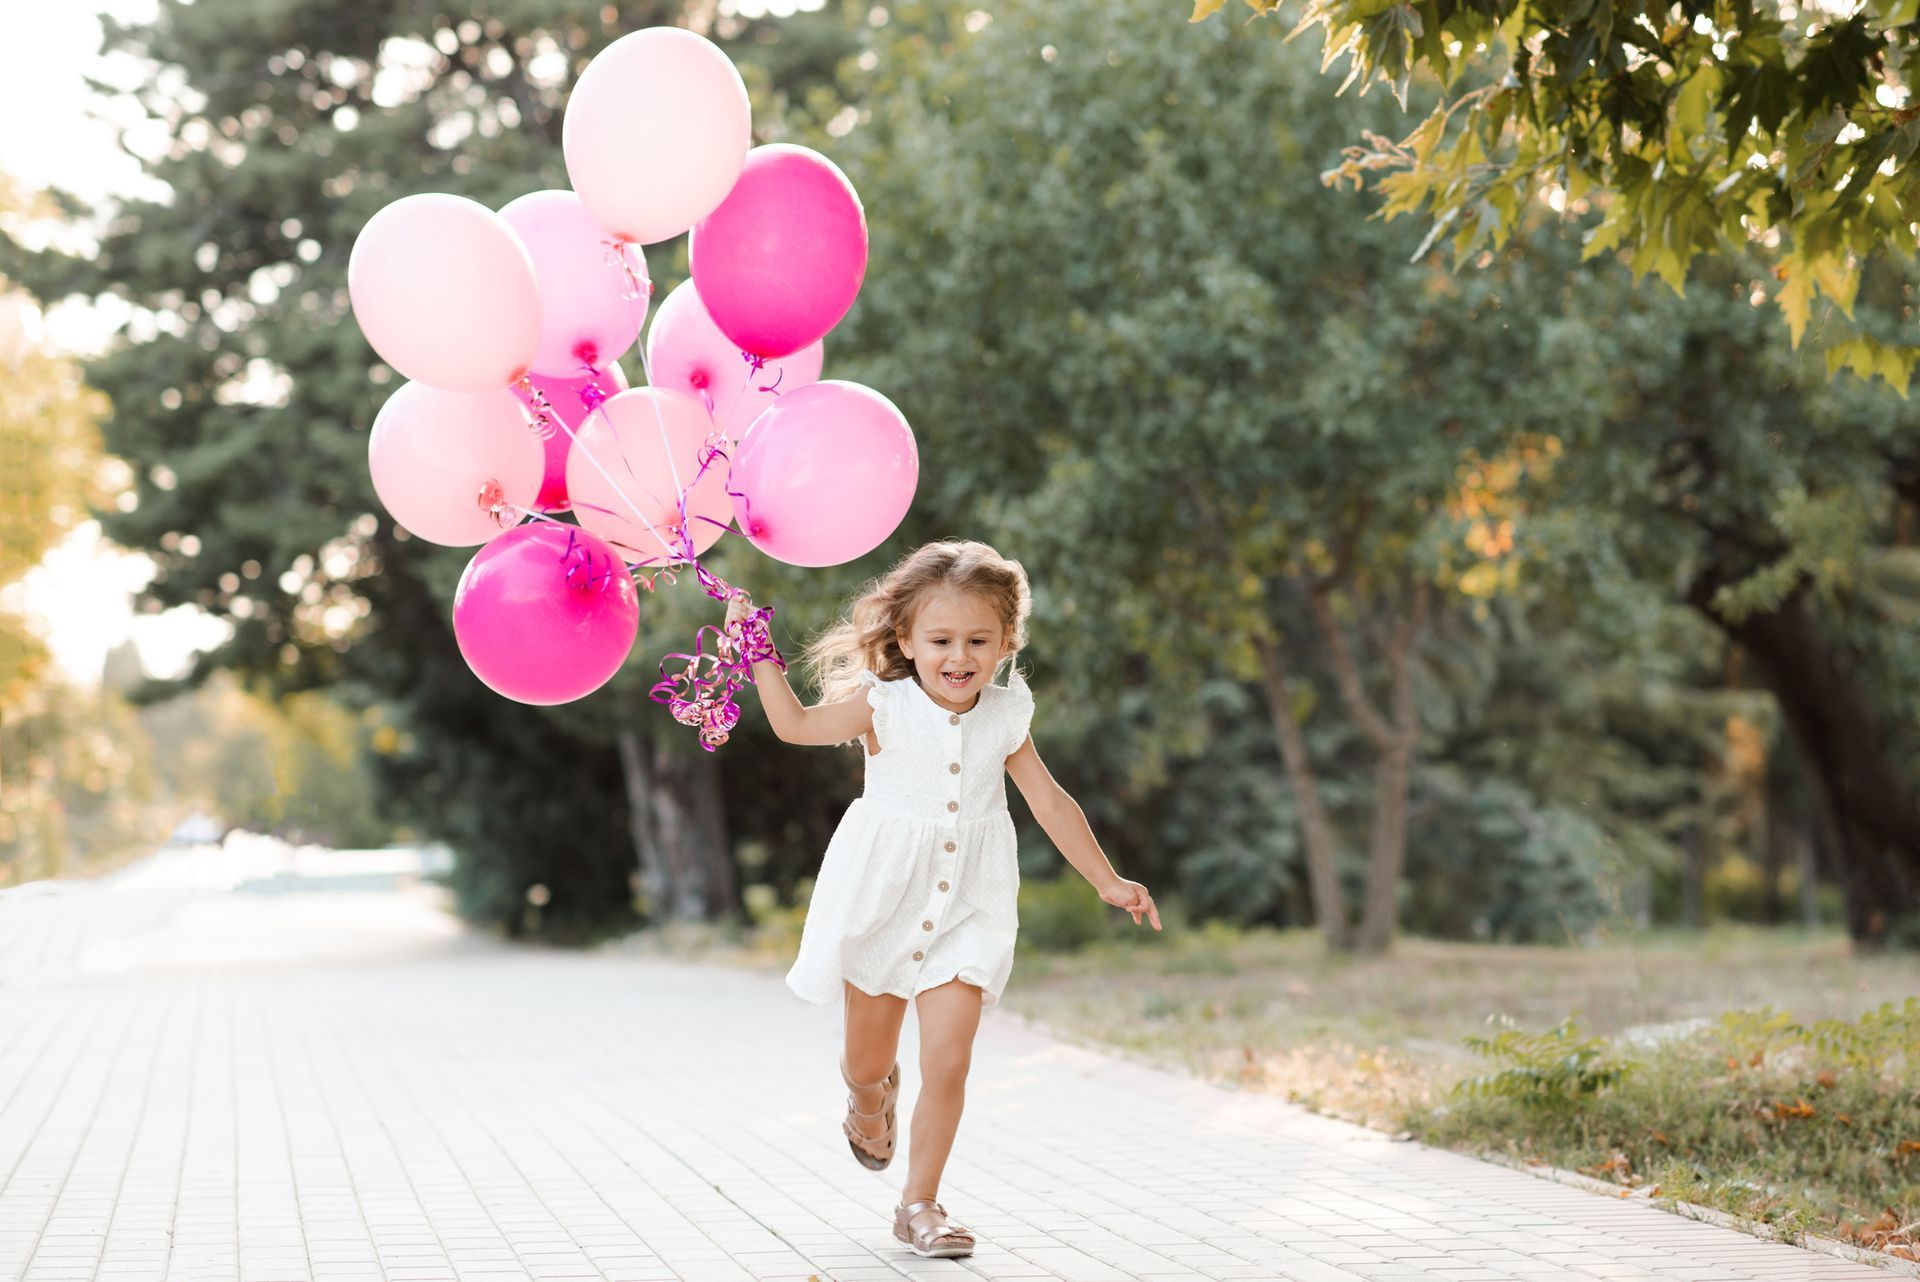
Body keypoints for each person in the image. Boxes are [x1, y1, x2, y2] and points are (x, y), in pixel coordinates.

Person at [727, 538, 1161, 1260]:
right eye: (941, 640)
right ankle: (869, 1099)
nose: (959, 657)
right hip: (881, 902)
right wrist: (758, 653)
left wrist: (1107, 880)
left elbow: (1051, 804)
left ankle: (919, 1204)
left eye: (978, 640)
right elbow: (796, 726)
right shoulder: (882, 705)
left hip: (970, 905)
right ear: (905, 639)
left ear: (1004, 642)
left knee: (950, 1059)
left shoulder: (1004, 715)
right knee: (867, 1064)